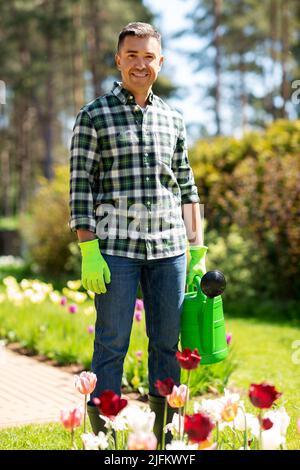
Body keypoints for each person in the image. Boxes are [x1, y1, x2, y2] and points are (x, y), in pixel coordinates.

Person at [69, 22, 207, 445]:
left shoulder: (173, 118)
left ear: (160, 62)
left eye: (149, 56)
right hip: (115, 251)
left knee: (167, 344)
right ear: (118, 60)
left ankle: (163, 440)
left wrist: (197, 247)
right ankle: (105, 442)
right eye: (132, 55)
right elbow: (80, 187)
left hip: (170, 250)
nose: (140, 64)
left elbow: (186, 185)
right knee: (111, 344)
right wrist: (88, 249)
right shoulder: (94, 115)